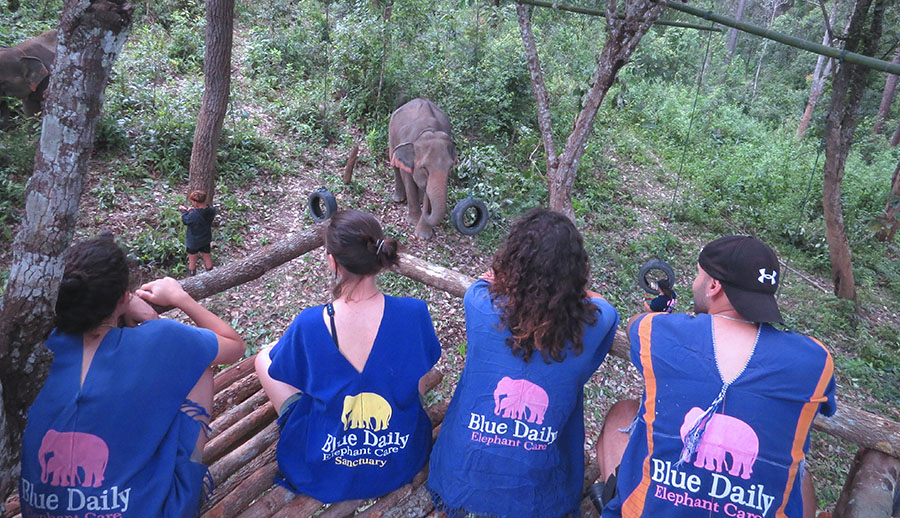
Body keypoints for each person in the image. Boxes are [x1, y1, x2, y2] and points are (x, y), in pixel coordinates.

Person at [596, 235, 836, 518]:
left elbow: (638, 322)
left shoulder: (657, 332)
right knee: (799, 471)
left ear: (713, 286)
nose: (695, 283)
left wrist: (668, 318)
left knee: (623, 413)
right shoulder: (815, 361)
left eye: (698, 276)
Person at [19, 234, 245, 517]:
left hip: (43, 510)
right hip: (146, 510)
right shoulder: (161, 340)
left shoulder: (33, 347)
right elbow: (233, 344)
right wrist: (176, 300)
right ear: (124, 297)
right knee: (200, 364)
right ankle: (186, 475)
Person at [426, 208, 621, 518]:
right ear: (575, 271)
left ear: (512, 261)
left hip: (461, 475)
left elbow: (484, 280)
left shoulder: (479, 303)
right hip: (538, 491)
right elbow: (601, 304)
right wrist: (566, 293)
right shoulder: (596, 323)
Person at [255, 209, 441, 503]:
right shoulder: (414, 313)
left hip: (324, 464)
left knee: (264, 358)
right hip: (399, 456)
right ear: (379, 259)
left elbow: (292, 372)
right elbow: (420, 371)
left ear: (332, 261)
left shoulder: (309, 324)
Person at [179, 190, 217, 276]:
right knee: (207, 257)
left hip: (193, 241)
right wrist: (194, 210)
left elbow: (186, 220)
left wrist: (184, 211)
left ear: (196, 202)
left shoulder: (194, 215)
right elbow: (202, 212)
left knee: (192, 260)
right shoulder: (211, 210)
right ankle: (211, 276)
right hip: (206, 239)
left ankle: (192, 277)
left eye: (192, 201)